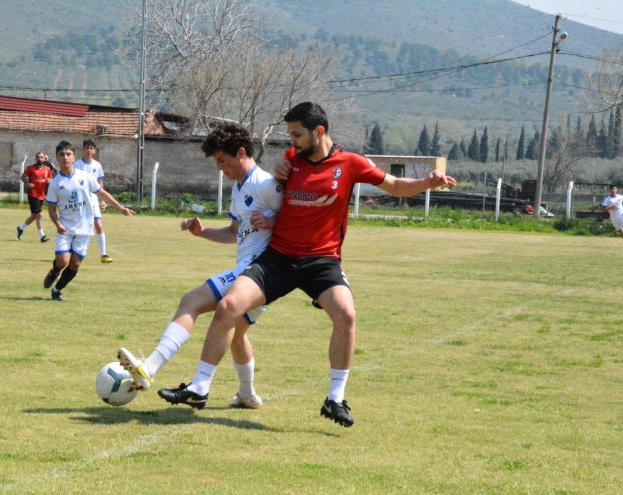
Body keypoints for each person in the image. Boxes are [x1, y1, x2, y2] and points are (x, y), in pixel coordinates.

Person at [157, 102, 455, 427]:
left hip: (321, 261)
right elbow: (275, 203)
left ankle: (335, 399)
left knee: (346, 314)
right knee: (229, 305)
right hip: (279, 258)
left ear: (319, 131)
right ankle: (200, 388)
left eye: (297, 134)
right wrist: (271, 217)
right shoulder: (289, 162)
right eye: (290, 135)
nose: (293, 141)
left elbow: (396, 186)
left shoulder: (351, 163)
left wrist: (427, 181)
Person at [117, 123, 284, 409]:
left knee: (191, 301)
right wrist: (203, 232)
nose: (219, 168)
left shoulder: (267, 185)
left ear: (241, 153)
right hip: (252, 272)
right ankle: (246, 395)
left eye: (222, 160)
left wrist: (273, 222)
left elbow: (300, 221)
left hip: (260, 272)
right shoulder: (239, 189)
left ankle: (151, 367)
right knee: (235, 333)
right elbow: (235, 232)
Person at [42, 140, 134, 301]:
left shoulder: (85, 177)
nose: (65, 158)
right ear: (57, 158)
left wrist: (120, 207)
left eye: (68, 154)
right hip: (65, 228)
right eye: (62, 155)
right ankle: (54, 271)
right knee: (62, 261)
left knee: (75, 264)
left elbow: (102, 193)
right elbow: (51, 209)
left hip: (84, 228)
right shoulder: (56, 183)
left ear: (73, 157)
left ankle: (57, 289)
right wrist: (57, 223)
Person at [73, 139, 113, 263]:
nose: (89, 150)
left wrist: (103, 200)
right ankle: (73, 251)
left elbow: (99, 183)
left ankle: (103, 255)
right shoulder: (77, 165)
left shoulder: (97, 165)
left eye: (91, 148)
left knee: (99, 226)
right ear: (83, 150)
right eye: (87, 148)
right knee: (78, 228)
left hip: (93, 200)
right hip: (81, 201)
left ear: (94, 151)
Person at [17, 151, 52, 242]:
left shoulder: (47, 169)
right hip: (33, 194)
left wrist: (49, 181)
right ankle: (42, 236)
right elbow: (22, 177)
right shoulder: (31, 168)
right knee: (39, 215)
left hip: (41, 195)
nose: (39, 159)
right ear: (35, 158)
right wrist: (27, 183)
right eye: (37, 157)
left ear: (44, 159)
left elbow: (50, 179)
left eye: (41, 157)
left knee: (34, 215)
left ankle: (21, 228)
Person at [602, 184, 623, 250]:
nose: (613, 190)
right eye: (611, 189)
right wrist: (610, 208)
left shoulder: (620, 197)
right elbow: (603, 209)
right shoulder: (607, 199)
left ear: (616, 189)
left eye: (614, 188)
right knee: (621, 231)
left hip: (622, 215)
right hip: (614, 218)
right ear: (610, 190)